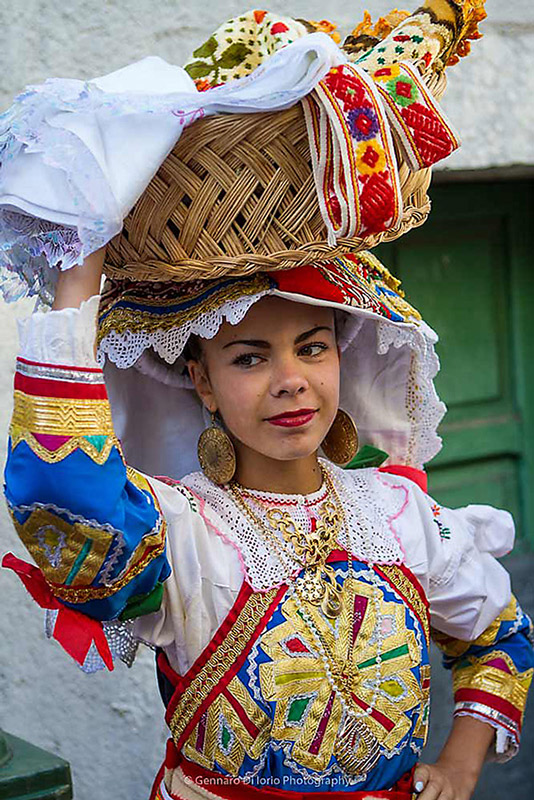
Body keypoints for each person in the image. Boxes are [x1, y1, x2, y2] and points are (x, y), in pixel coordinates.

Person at [1, 3, 533, 800]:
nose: (292, 380)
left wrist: (460, 761)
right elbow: (65, 501)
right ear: (202, 381)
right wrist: (82, 266)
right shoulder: (186, 534)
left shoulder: (401, 516)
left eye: (312, 347)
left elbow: (498, 633)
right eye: (250, 357)